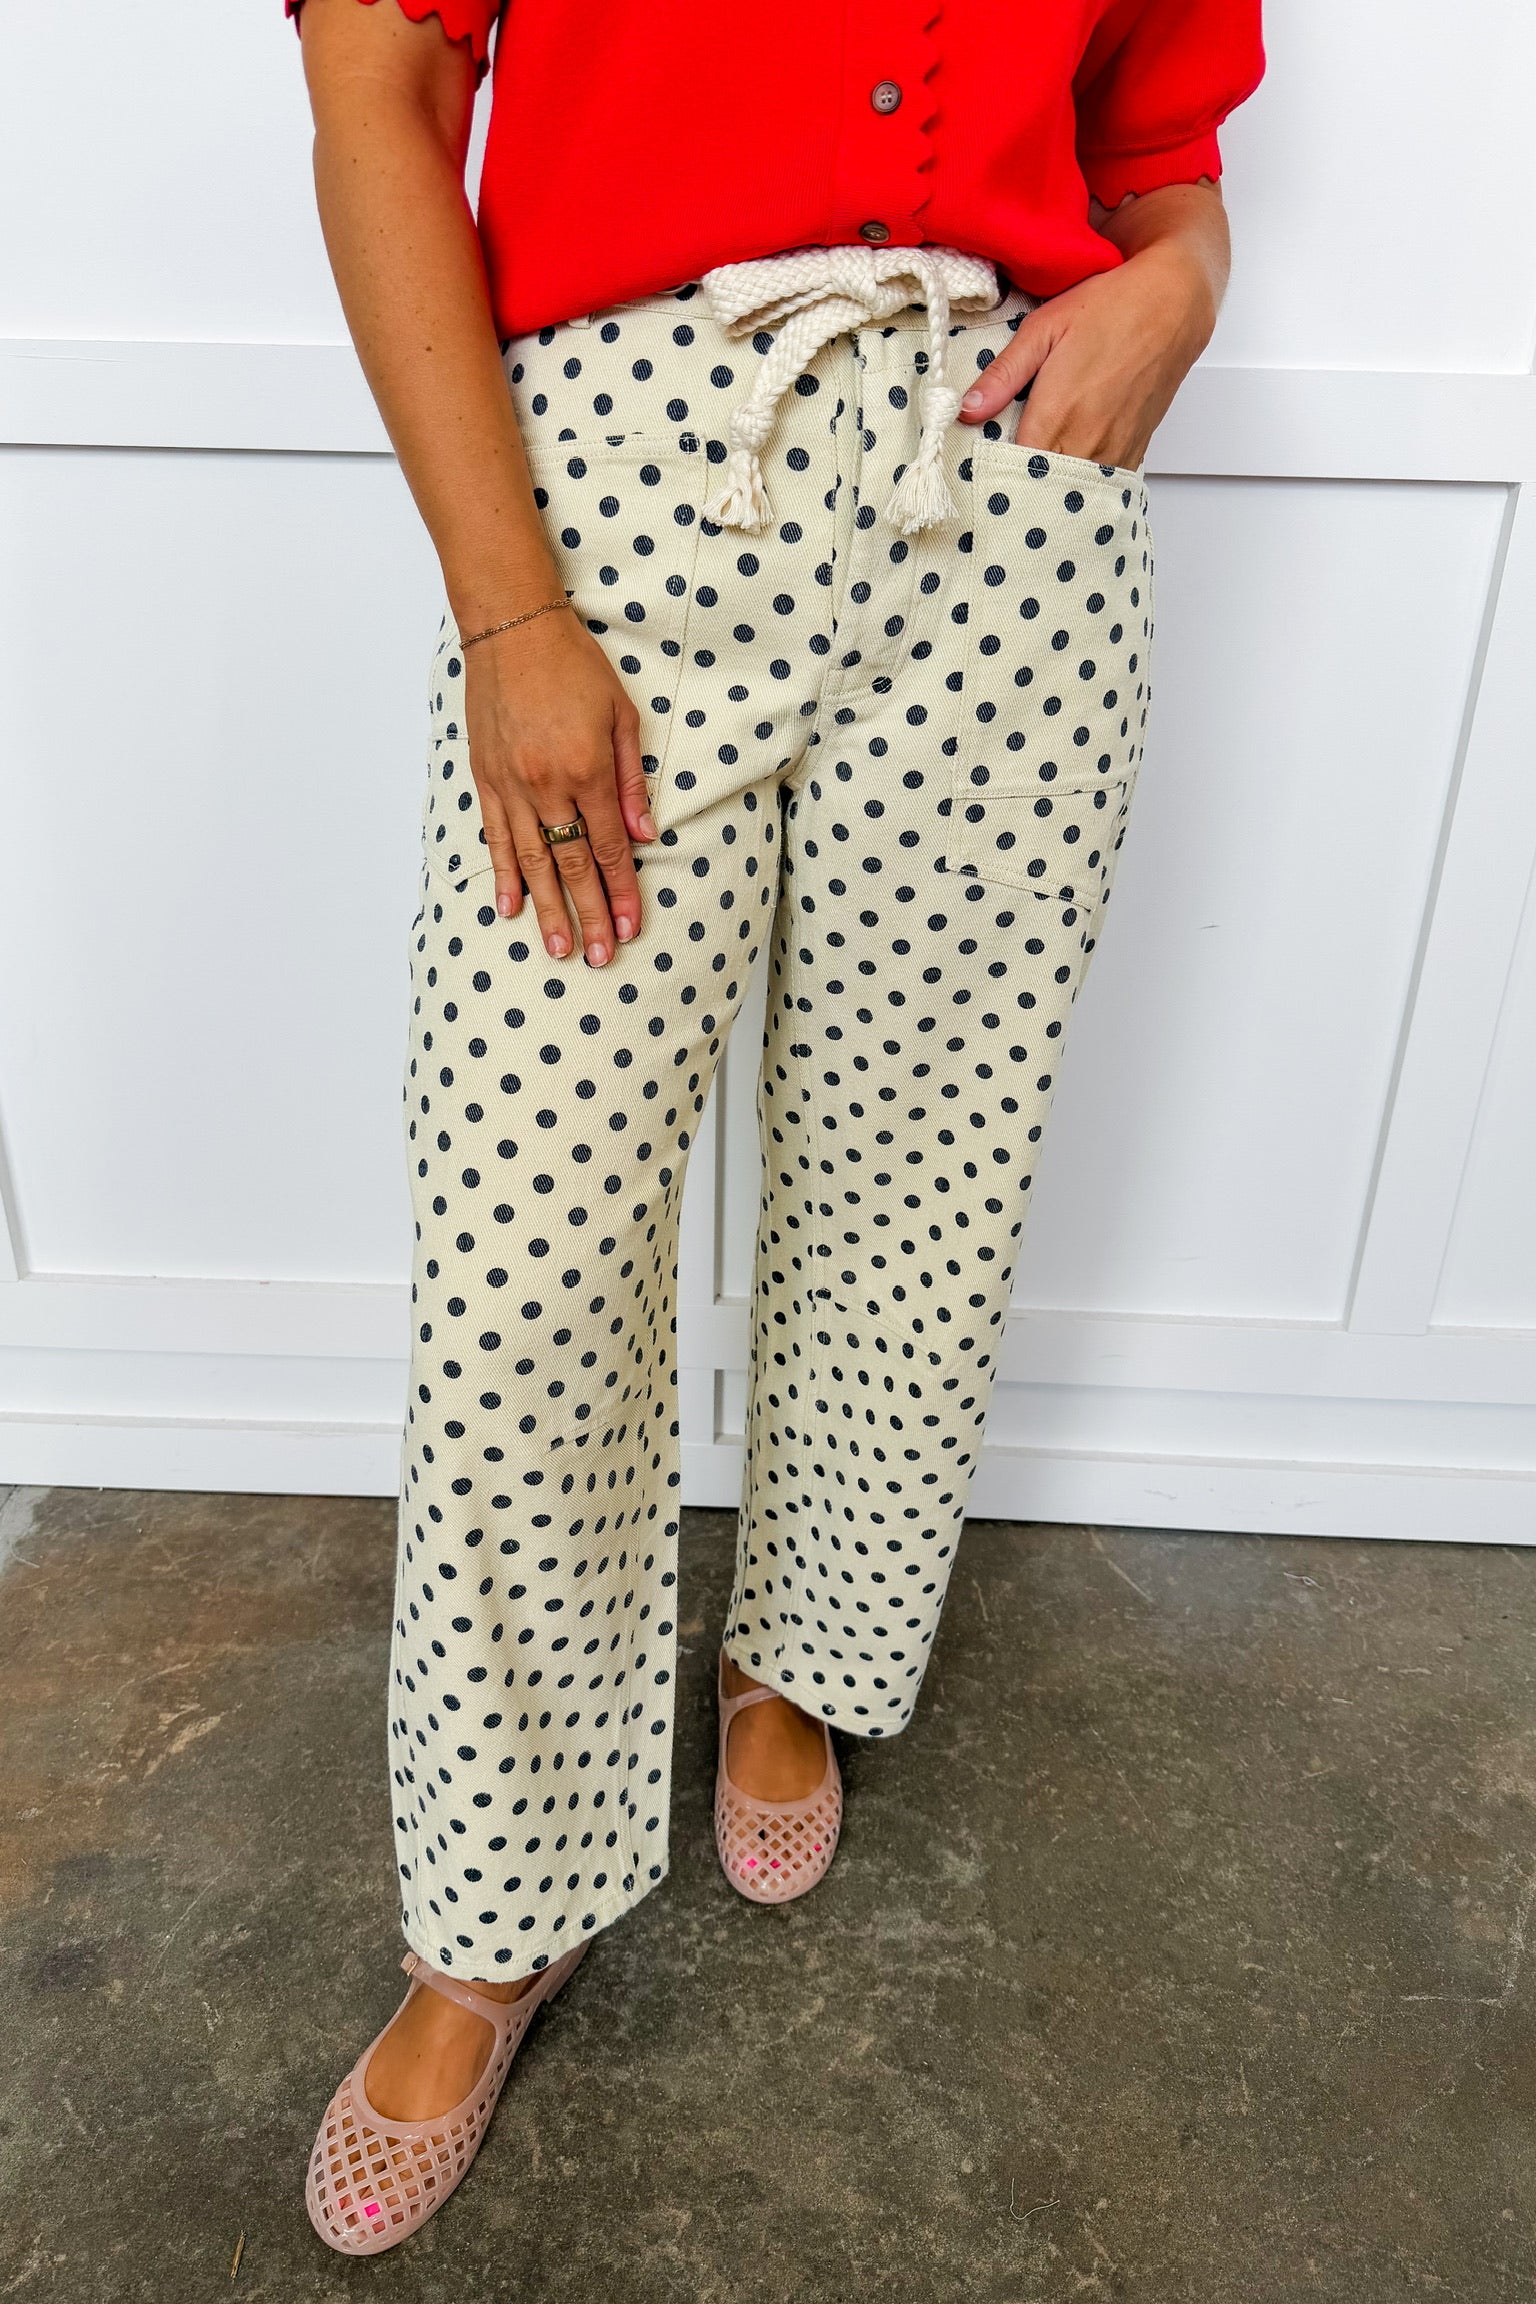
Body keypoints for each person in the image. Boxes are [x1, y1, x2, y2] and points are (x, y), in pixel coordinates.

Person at [287, 0, 1265, 2253]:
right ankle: (495, 1911)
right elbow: (378, 98)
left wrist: (1181, 296)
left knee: (924, 1179)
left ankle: (799, 1655)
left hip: (1007, 500)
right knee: (529, 1261)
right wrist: (507, 610)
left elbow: (1163, 159)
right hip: (620, 498)